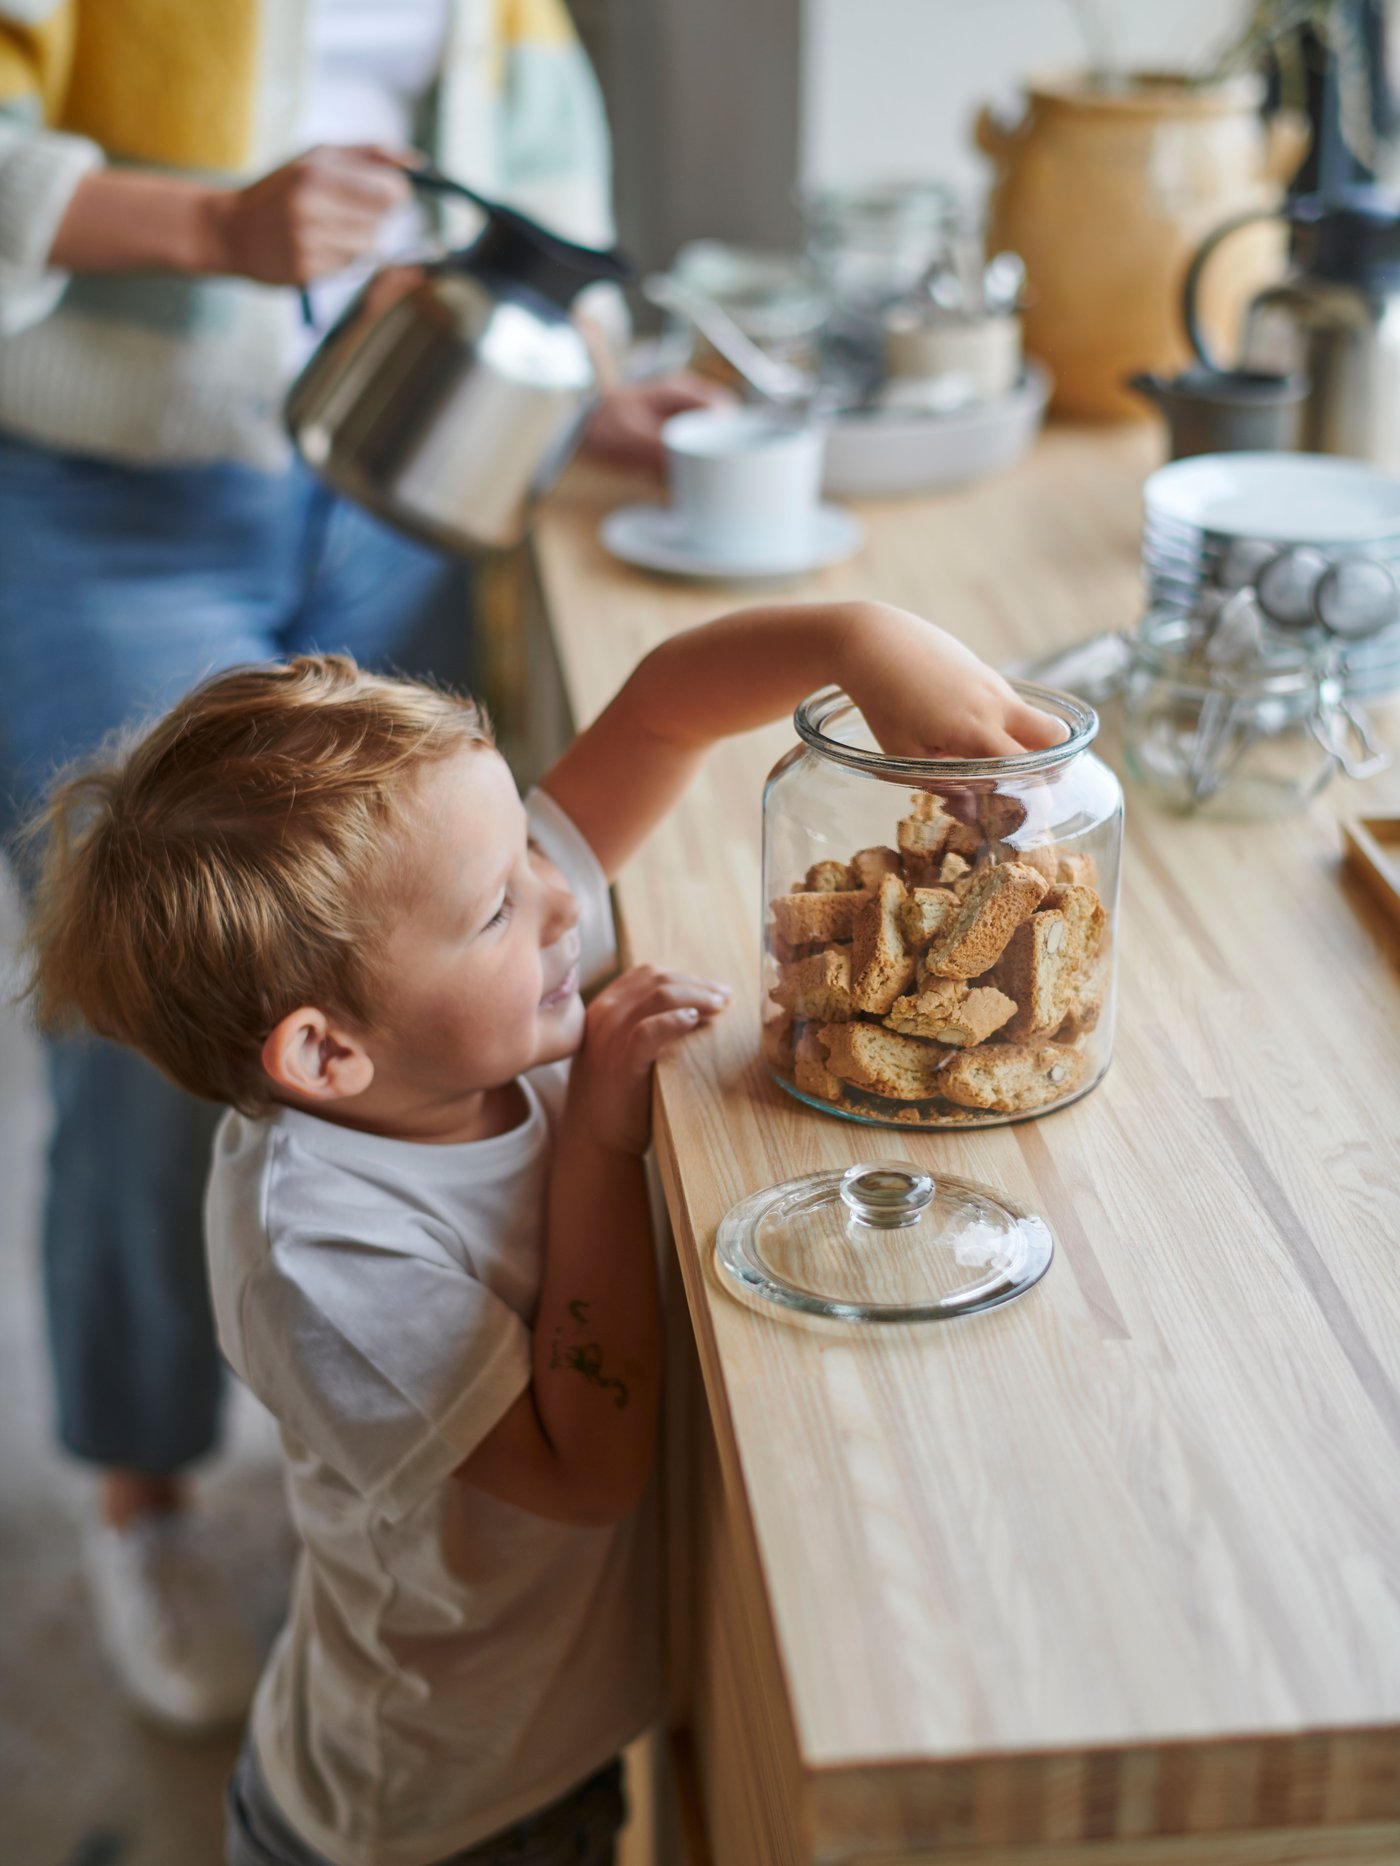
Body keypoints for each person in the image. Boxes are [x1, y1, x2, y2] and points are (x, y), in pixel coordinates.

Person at [22, 602, 1063, 1866]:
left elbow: (663, 710)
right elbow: (587, 1469)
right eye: (493, 911)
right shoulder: (321, 1258)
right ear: (327, 1052)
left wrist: (862, 643)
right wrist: (596, 1143)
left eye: (527, 841)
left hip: (542, 1746)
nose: (562, 898)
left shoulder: (453, 987)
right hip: (442, 1810)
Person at [0, 0, 721, 1728]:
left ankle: (406, 1417)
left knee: (432, 925)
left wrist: (577, 392)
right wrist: (210, 226)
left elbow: (515, 139)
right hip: (110, 482)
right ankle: (142, 1474)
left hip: (400, 459)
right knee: (154, 1030)